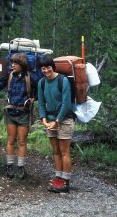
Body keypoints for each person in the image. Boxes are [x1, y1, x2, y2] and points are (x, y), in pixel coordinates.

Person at [0, 53, 38, 179]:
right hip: (10, 112)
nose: (12, 65)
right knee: (10, 140)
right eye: (12, 63)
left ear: (22, 65)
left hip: (24, 113)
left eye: (15, 63)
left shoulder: (31, 77)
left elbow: (40, 90)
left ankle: (21, 168)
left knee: (22, 141)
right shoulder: (9, 76)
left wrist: (33, 99)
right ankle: (9, 166)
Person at [38, 54, 74, 193]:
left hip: (64, 120)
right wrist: (44, 120)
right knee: (56, 152)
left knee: (64, 152)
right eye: (43, 68)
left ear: (52, 66)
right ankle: (58, 178)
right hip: (50, 120)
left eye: (47, 67)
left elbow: (66, 104)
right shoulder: (42, 82)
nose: (45, 71)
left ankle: (66, 182)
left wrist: (57, 121)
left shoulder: (62, 80)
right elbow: (41, 103)